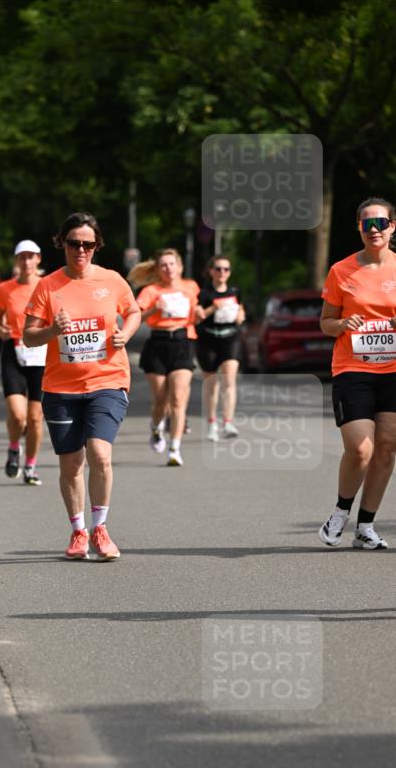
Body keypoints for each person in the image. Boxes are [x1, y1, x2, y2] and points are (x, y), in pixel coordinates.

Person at [23, 211, 141, 560]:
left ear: (96, 246)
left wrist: (125, 334)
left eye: (88, 244)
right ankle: (78, 531)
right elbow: (28, 338)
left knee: (100, 453)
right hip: (60, 388)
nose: (81, 250)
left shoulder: (112, 280)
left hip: (107, 379)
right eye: (74, 243)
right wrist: (53, 331)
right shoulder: (48, 286)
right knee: (71, 464)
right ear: (62, 244)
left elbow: (133, 312)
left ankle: (101, 528)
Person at [318, 197, 396, 550]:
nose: (375, 230)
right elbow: (325, 323)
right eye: (368, 224)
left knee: (387, 447)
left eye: (381, 223)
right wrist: (342, 323)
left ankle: (365, 526)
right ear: (359, 228)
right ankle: (340, 511)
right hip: (353, 368)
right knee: (361, 448)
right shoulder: (341, 271)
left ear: (393, 226)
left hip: (393, 369)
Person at [131, 249, 199, 466]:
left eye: (172, 264)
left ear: (180, 267)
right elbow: (135, 317)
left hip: (182, 342)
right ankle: (156, 426)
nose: (168, 268)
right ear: (158, 269)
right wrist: (153, 311)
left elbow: (196, 312)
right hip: (158, 344)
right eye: (164, 265)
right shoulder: (151, 291)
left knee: (178, 398)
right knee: (161, 400)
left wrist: (200, 314)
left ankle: (175, 448)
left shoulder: (191, 287)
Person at [0, 241, 46, 484]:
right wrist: (0, 329)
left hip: (42, 355)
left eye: (30, 257)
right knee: (17, 414)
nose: (26, 262)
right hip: (14, 350)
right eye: (21, 257)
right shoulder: (6, 289)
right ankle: (14, 446)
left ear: (38, 259)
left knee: (35, 418)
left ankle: (31, 466)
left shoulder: (48, 286)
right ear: (16, 261)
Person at [194, 255, 245, 441]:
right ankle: (211, 423)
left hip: (230, 338)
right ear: (211, 271)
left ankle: (228, 422)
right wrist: (212, 309)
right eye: (218, 269)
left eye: (226, 269)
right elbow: (197, 317)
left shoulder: (235, 291)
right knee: (212, 383)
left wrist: (241, 314)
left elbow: (240, 309)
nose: (222, 272)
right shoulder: (204, 293)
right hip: (207, 340)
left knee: (229, 380)